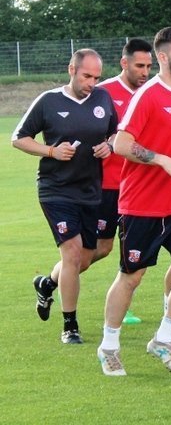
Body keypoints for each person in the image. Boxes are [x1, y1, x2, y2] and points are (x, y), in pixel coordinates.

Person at [97, 27, 171, 376]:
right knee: (131, 277)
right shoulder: (148, 95)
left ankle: (163, 339)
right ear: (163, 57)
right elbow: (121, 144)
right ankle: (109, 346)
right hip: (142, 205)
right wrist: (163, 160)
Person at [13, 49, 118, 344]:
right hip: (56, 189)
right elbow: (18, 138)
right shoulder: (48, 101)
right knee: (71, 254)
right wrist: (51, 151)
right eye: (86, 76)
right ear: (71, 69)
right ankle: (70, 326)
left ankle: (47, 284)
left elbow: (116, 133)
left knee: (85, 258)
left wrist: (109, 145)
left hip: (91, 190)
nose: (92, 83)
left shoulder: (102, 98)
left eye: (96, 77)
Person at [96, 39, 154, 326]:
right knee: (99, 249)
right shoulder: (104, 92)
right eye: (139, 66)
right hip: (108, 183)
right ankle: (54, 280)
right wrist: (104, 142)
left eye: (148, 66)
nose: (144, 72)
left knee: (131, 249)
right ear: (124, 63)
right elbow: (90, 130)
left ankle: (124, 307)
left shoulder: (153, 93)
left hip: (140, 186)